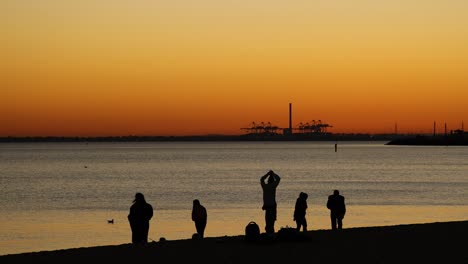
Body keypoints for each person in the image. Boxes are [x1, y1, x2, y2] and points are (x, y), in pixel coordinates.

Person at [260, 170, 281, 234]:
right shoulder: (273, 186)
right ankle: (270, 231)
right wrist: (273, 174)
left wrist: (268, 174)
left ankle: (268, 231)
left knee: (267, 219)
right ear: (273, 181)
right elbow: (278, 178)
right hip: (272, 204)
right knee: (272, 219)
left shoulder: (265, 186)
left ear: (268, 181)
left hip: (267, 205)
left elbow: (261, 179)